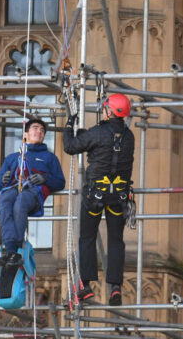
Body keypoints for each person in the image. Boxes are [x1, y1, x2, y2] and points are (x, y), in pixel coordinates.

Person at [63, 93, 135, 306]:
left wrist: (69, 125)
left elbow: (71, 146)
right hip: (119, 198)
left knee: (87, 237)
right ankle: (115, 287)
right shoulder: (129, 136)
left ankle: (85, 285)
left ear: (109, 111)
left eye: (105, 108)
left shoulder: (97, 133)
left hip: (95, 195)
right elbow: (108, 142)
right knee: (116, 241)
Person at [0, 119, 65, 267]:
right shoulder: (13, 158)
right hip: (13, 188)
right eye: (35, 128)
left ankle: (17, 247)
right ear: (26, 134)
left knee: (21, 202)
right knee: (4, 202)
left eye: (42, 130)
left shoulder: (49, 158)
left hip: (34, 191)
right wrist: (4, 179)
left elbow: (60, 182)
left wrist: (44, 178)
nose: (39, 132)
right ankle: (9, 248)